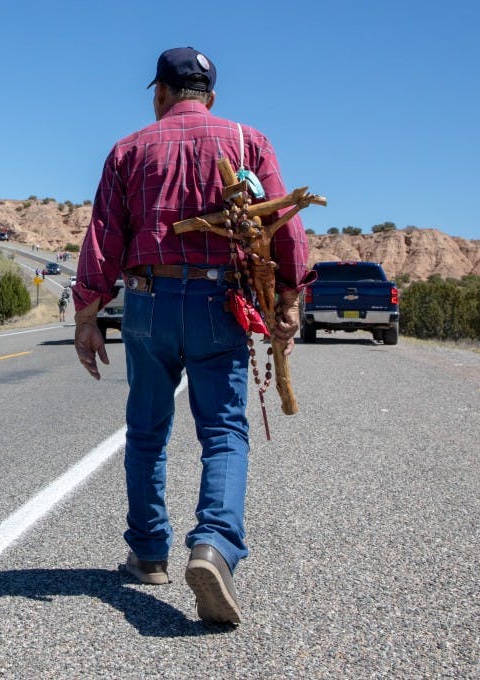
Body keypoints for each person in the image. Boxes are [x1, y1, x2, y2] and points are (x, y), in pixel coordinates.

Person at [71, 46, 313, 625]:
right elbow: (285, 224)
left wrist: (87, 315)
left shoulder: (129, 150)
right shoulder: (248, 142)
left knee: (146, 431)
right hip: (218, 302)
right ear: (211, 96)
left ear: (160, 93)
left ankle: (149, 552)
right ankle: (214, 547)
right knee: (224, 431)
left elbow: (104, 236)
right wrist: (290, 297)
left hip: (148, 302)